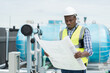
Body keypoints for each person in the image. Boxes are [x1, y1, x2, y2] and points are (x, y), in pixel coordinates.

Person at [59, 7, 93, 73]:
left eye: (70, 20)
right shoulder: (62, 33)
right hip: (65, 67)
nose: (68, 23)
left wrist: (82, 54)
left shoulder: (84, 30)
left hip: (79, 67)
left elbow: (89, 51)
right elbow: (61, 50)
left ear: (75, 18)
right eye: (66, 20)